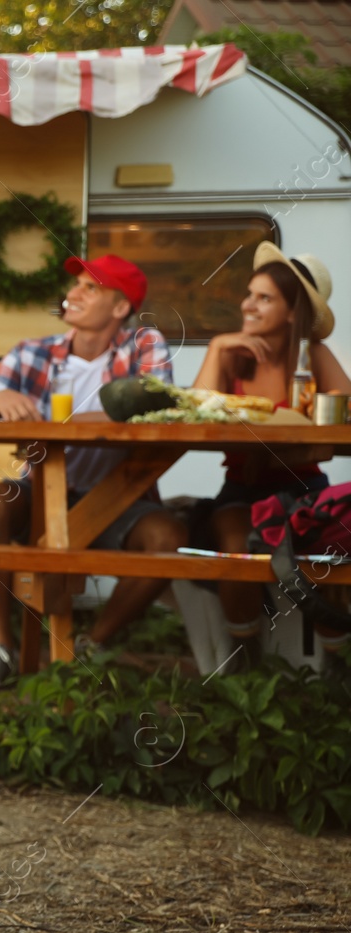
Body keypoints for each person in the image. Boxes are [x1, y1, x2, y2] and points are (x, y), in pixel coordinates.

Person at [0, 255, 185, 688]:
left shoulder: (143, 345)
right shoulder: (32, 352)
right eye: (76, 285)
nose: (74, 293)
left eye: (90, 288)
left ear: (120, 308)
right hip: (41, 492)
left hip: (117, 496)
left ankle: (93, 644)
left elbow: (159, 408)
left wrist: (68, 425)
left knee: (170, 539)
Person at [188, 243, 349, 669]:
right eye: (249, 294)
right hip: (243, 489)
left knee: (332, 546)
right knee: (237, 544)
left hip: (304, 488)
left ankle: (336, 659)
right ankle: (246, 658)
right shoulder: (232, 354)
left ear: (293, 313)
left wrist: (292, 446)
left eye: (264, 298)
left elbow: (343, 419)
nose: (248, 305)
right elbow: (193, 417)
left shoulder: (312, 356)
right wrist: (218, 347)